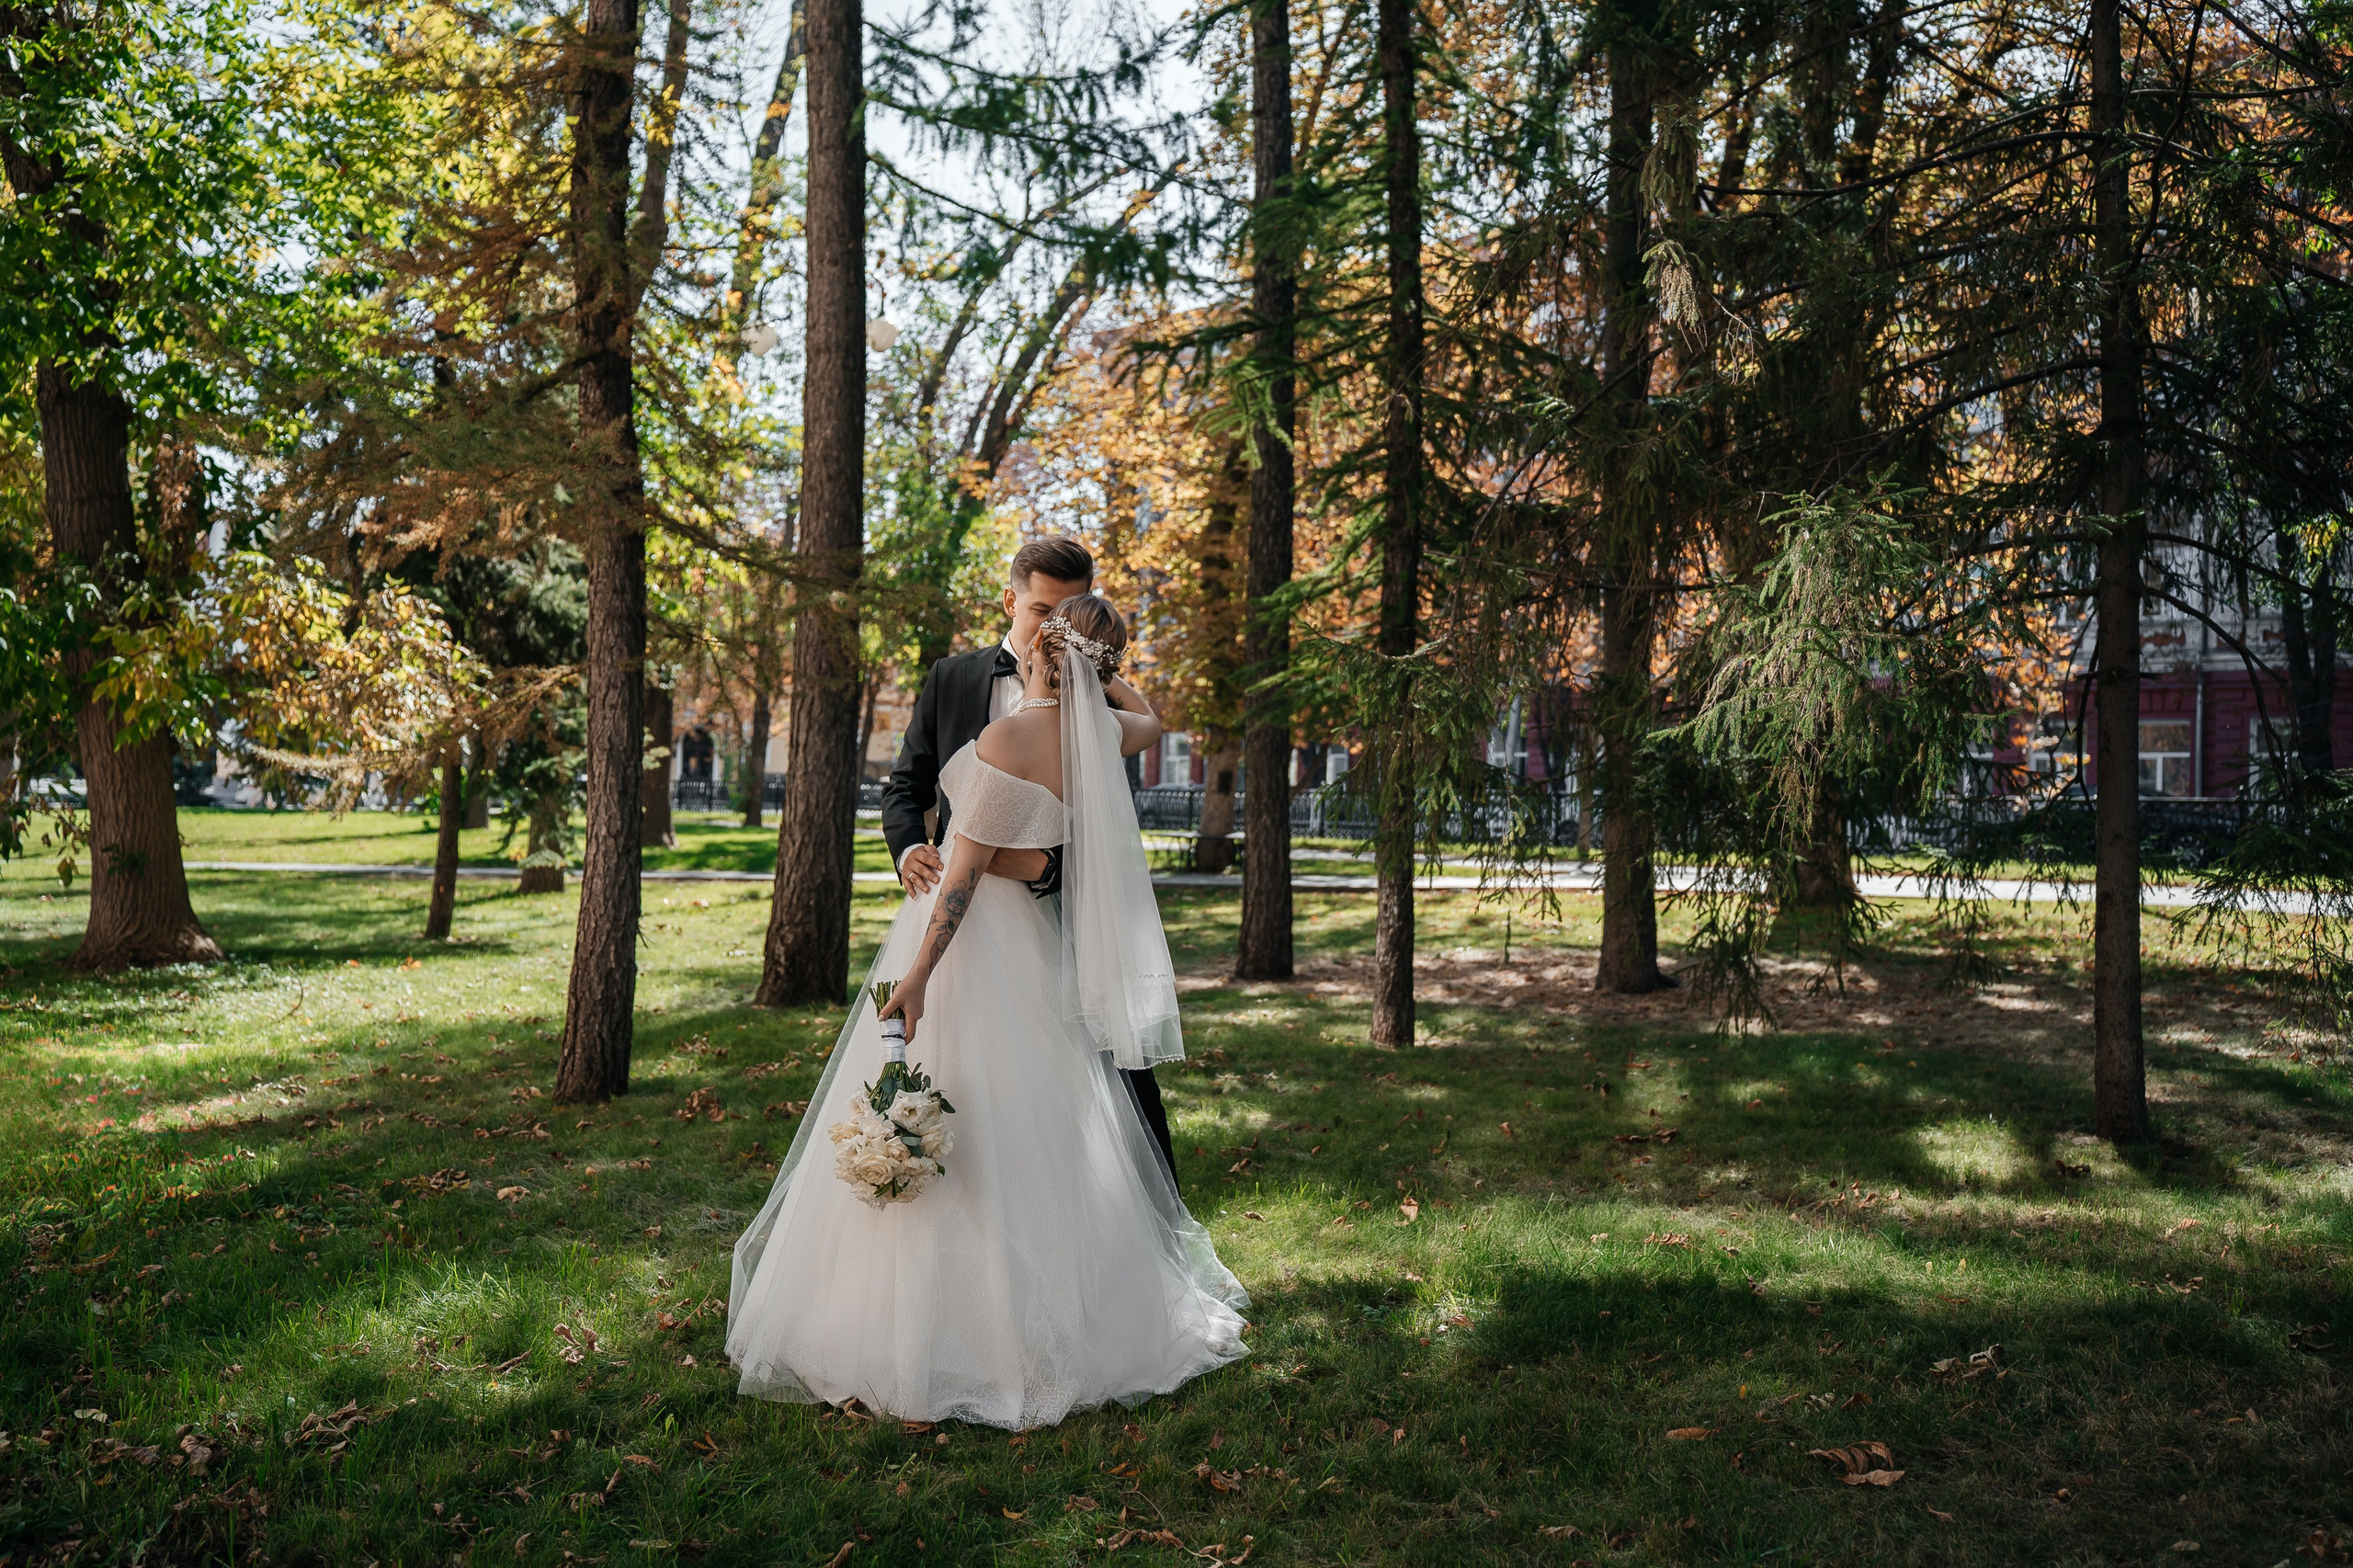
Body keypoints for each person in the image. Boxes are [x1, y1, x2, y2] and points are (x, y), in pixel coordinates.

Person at [726, 595, 1246, 1429]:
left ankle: (940, 1335)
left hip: (968, 950)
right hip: (1038, 955)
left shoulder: (1008, 738)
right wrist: (1100, 680)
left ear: (1041, 647)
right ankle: (1043, 1320)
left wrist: (921, 975)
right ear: (1099, 669)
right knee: (1030, 1128)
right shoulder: (1105, 737)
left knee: (949, 1110)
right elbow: (1144, 719)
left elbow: (959, 878)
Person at [880, 536, 1180, 1186]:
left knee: (1095, 1081)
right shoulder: (969, 683)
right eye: (1044, 611)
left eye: (1067, 616)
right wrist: (909, 849)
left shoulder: (1029, 732)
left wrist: (920, 970)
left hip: (1049, 921)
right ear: (1010, 600)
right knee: (995, 1077)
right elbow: (908, 784)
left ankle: (1155, 1200)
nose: (1052, 625)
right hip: (987, 923)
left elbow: (976, 864)